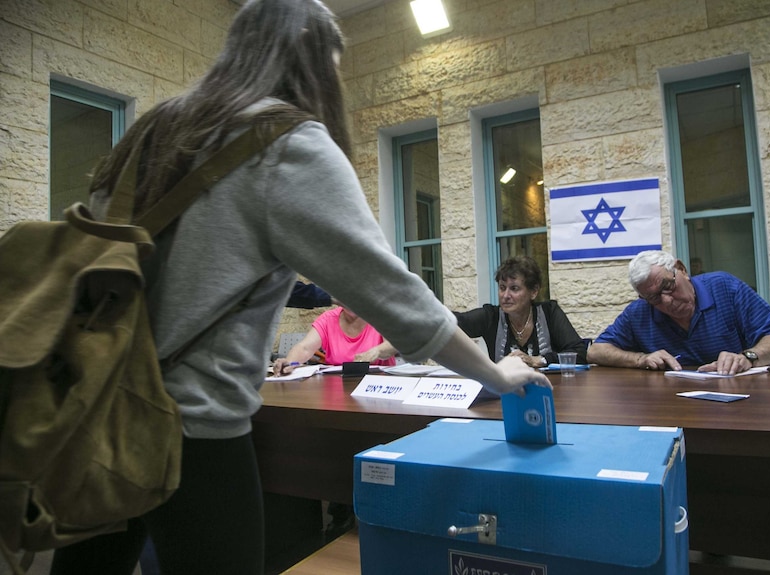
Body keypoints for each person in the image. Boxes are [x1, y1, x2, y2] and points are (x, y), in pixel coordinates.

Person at [49, 1, 549, 574]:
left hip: (94, 411)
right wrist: (494, 373)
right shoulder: (285, 141)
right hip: (194, 430)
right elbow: (393, 294)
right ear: (314, 64)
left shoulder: (154, 128)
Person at [587, 250, 770, 375]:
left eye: (668, 286)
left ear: (681, 269)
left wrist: (748, 357)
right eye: (655, 298)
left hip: (739, 400)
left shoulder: (726, 288)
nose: (667, 300)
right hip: (671, 404)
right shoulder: (640, 312)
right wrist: (641, 359)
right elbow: (596, 351)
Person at [454, 256, 588, 368]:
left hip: (550, 390)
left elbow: (579, 353)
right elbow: (453, 321)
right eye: (502, 288)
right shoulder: (491, 316)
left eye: (514, 288)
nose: (505, 295)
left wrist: (539, 360)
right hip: (504, 393)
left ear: (534, 291)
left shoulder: (549, 313)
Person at [274, 306, 397, 370]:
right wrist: (289, 362)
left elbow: (394, 344)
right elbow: (305, 348)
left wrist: (377, 351)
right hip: (337, 389)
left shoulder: (381, 316)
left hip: (377, 387)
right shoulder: (328, 319)